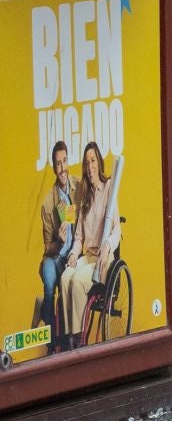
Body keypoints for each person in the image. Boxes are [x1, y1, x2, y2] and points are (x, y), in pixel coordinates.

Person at [60, 142, 111, 347]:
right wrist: (73, 254)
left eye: (93, 161)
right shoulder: (84, 196)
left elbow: (116, 229)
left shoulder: (109, 189)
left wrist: (108, 245)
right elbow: (79, 237)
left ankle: (78, 338)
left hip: (103, 260)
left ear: (98, 162)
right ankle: (68, 338)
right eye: (86, 163)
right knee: (65, 277)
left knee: (79, 280)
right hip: (87, 256)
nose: (90, 167)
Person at [37, 139, 74, 342]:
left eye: (64, 161)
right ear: (54, 168)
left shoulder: (77, 185)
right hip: (53, 257)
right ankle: (51, 342)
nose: (62, 168)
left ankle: (66, 335)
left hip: (72, 255)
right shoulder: (47, 202)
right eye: (58, 164)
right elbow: (47, 247)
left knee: (69, 290)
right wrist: (59, 242)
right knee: (50, 285)